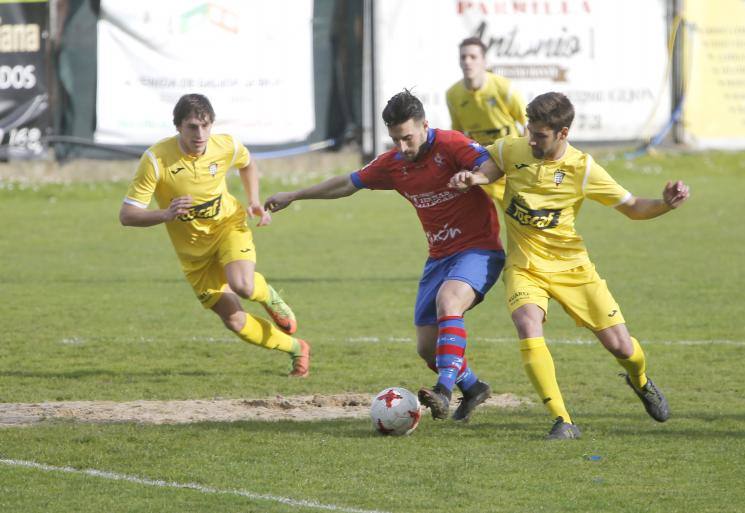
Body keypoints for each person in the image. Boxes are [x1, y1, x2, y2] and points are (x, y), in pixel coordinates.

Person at [450, 92, 690, 439]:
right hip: (525, 266)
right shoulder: (511, 149)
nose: (531, 139)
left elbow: (634, 207)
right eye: (530, 130)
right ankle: (563, 420)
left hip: (572, 268)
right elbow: (491, 168)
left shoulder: (583, 168)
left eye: (540, 135)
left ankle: (640, 380)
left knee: (623, 347)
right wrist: (474, 178)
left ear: (563, 133)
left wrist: (666, 204)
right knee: (527, 322)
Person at [265, 90, 505, 422]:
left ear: (425, 125)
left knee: (449, 302)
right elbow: (346, 185)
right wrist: (295, 194)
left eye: (407, 138)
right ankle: (475, 387)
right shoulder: (393, 164)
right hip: (439, 257)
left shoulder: (451, 145)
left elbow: (492, 166)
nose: (402, 148)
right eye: (395, 140)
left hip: (479, 249)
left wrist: (475, 177)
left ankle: (444, 392)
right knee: (426, 347)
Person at [118, 93, 311, 378]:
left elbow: (247, 164)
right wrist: (166, 214)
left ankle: (268, 296)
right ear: (178, 127)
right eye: (192, 127)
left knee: (243, 285)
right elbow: (127, 215)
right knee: (234, 320)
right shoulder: (156, 160)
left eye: (206, 126)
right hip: (194, 255)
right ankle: (297, 348)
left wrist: (254, 200)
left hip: (227, 227)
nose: (200, 134)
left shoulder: (225, 145)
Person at [446, 37, 527, 203]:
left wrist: (523, 160)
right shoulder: (453, 94)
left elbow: (528, 123)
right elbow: (458, 134)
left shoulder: (504, 88)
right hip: (480, 168)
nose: (467, 62)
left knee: (524, 221)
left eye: (473, 57)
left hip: (510, 166)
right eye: (463, 57)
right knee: (475, 222)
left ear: (484, 61)